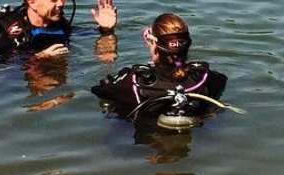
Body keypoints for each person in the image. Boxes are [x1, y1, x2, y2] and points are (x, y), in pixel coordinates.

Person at [90, 13, 227, 123]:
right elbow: (222, 81)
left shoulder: (134, 83)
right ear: (187, 46)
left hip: (143, 144)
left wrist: (106, 35)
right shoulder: (206, 79)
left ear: (153, 44)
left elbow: (100, 90)